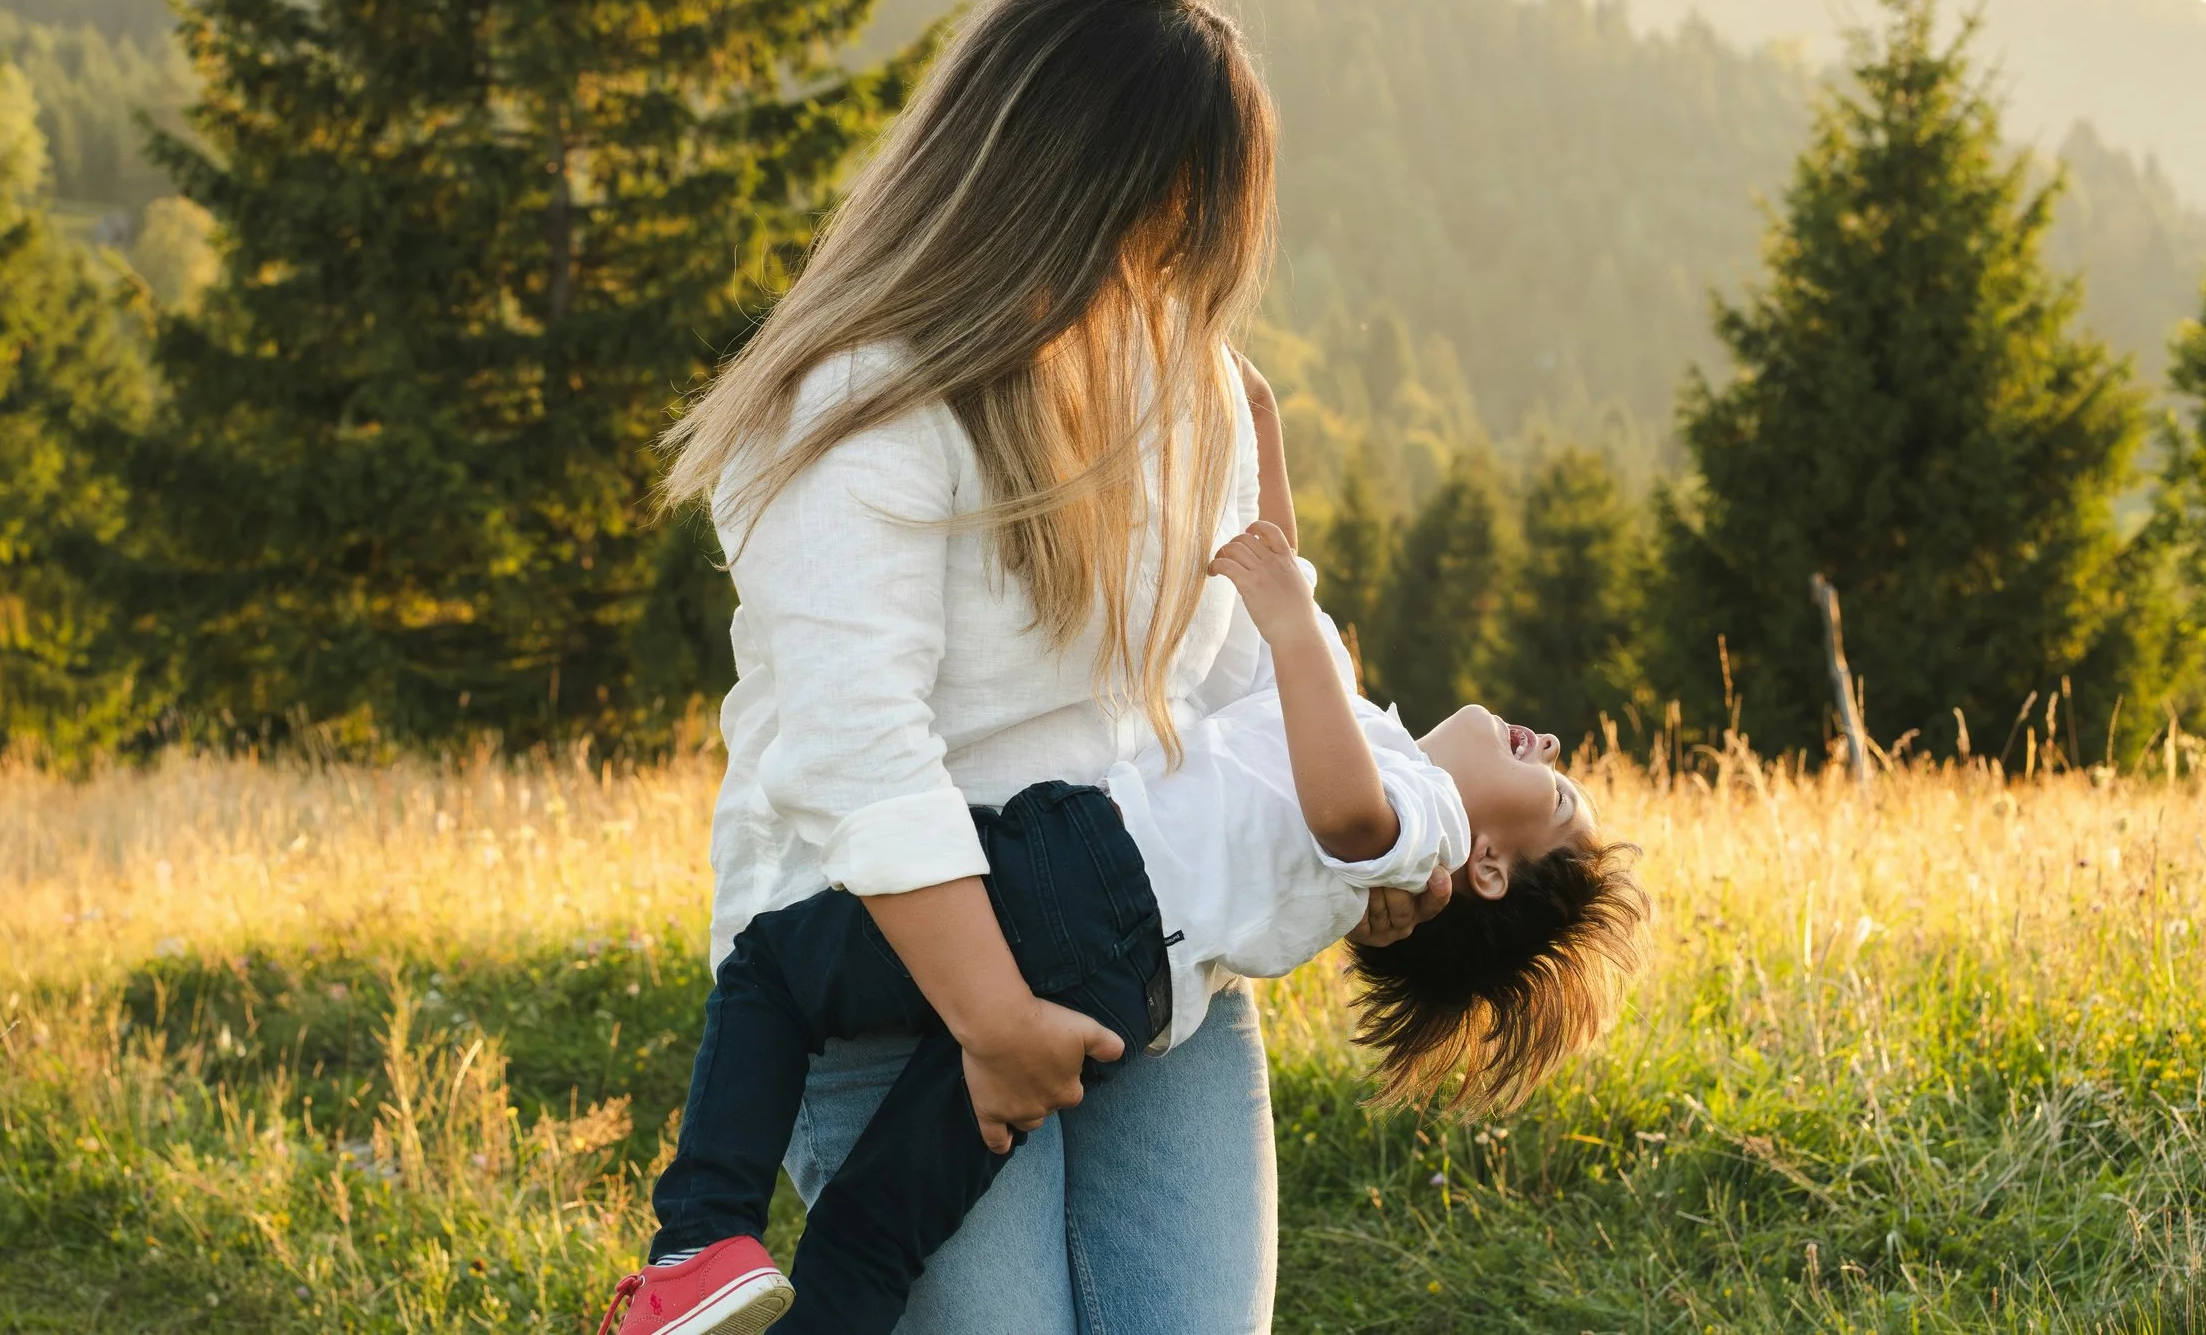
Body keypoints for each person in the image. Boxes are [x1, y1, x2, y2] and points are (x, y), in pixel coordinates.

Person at [602, 365, 1649, 1335]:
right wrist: (1260, 420)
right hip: (1113, 992)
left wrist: (1288, 622)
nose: (1548, 742)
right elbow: (1280, 574)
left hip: (1075, 886)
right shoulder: (1365, 727)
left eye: (1555, 788)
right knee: (887, 1222)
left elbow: (1344, 809)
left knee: (775, 967)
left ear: (1491, 867)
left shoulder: (1418, 815)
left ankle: (696, 1239)